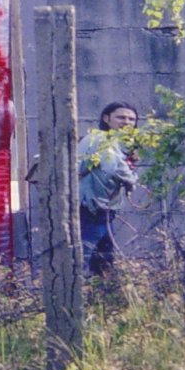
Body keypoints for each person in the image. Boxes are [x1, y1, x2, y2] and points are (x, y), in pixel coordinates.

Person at [77, 101, 139, 275]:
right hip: (92, 207)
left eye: (131, 119)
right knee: (85, 255)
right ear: (106, 118)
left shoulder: (110, 142)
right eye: (121, 117)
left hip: (102, 208)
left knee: (104, 258)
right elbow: (114, 168)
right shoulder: (102, 139)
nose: (126, 122)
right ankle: (76, 295)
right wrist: (132, 179)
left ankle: (102, 295)